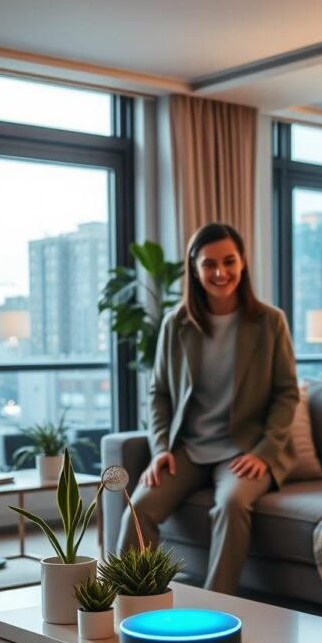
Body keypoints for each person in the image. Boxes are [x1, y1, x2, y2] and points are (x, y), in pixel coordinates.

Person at [117, 221, 299, 594]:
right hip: (189, 449)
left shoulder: (270, 322)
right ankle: (128, 602)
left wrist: (265, 453)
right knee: (139, 507)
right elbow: (159, 393)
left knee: (232, 504)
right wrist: (162, 449)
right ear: (195, 269)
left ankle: (218, 609)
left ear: (243, 263)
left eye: (229, 261)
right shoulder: (177, 324)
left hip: (245, 449)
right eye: (209, 264)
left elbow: (286, 393)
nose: (220, 272)